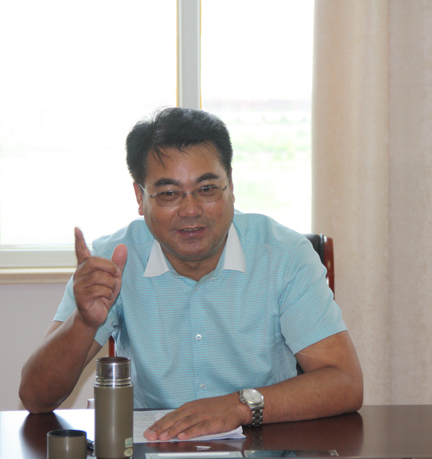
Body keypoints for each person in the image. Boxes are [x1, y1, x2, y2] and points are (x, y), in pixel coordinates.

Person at [19, 107, 363, 441]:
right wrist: (84, 322)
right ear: (140, 197)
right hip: (155, 446)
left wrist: (239, 406)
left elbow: (344, 382)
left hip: (264, 445)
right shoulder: (113, 260)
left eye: (207, 189)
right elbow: (36, 398)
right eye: (169, 193)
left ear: (231, 185)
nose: (191, 209)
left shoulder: (284, 255)